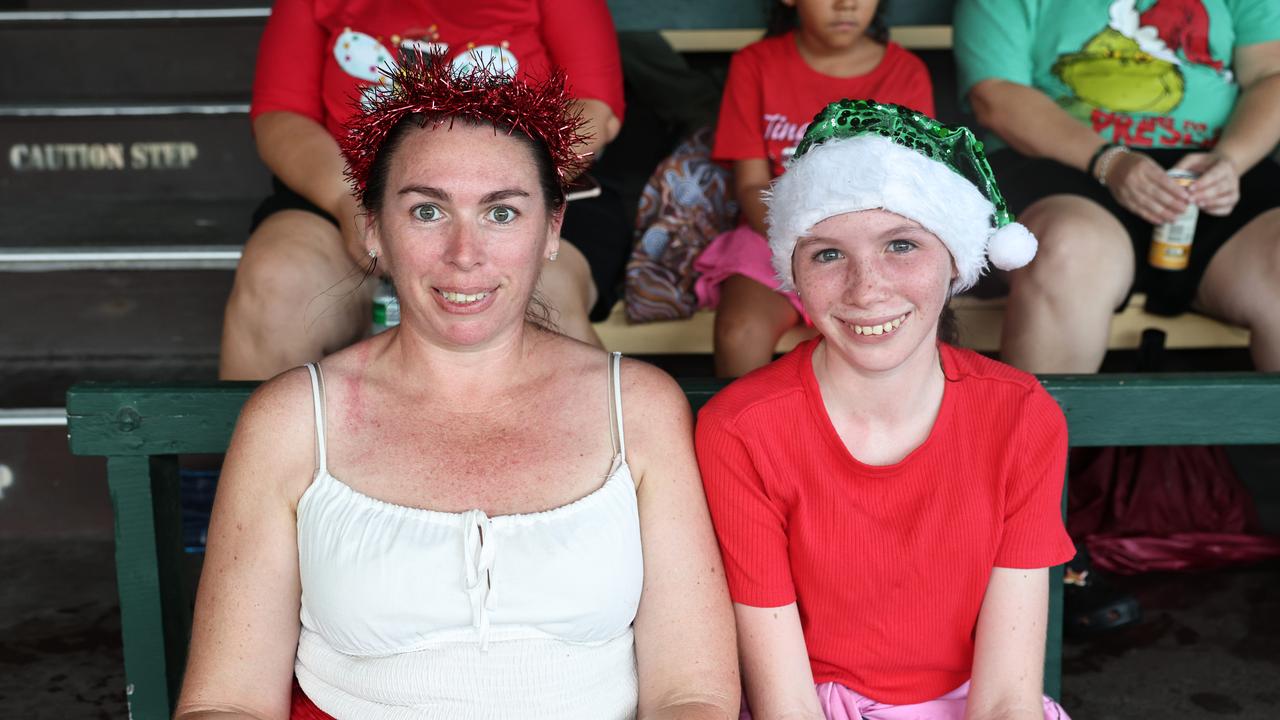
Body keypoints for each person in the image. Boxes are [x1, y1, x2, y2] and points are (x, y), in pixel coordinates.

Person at [175, 52, 738, 719]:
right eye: (426, 212)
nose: (465, 255)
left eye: (501, 214)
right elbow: (227, 702)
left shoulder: (638, 409)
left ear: (552, 230)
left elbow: (691, 694)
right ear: (373, 228)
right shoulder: (294, 420)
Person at [696, 100, 1074, 719]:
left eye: (901, 244)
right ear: (791, 272)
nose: (866, 288)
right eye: (826, 254)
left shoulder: (1020, 415)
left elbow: (1006, 696)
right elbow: (784, 704)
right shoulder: (743, 430)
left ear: (955, 259)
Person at [220, 0, 630, 380]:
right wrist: (351, 203)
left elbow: (594, 109)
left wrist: (509, 188)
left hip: (514, 197)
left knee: (545, 298)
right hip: (346, 192)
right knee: (276, 280)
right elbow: (281, 115)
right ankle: (257, 454)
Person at [954, 0, 1280, 373]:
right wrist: (1109, 161)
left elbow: (1272, 74)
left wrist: (1231, 160)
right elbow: (994, 94)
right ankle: (1044, 432)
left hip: (1214, 168)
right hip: (1060, 162)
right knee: (1068, 250)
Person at [693, 0, 935, 378]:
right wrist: (805, 243)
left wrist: (843, 247)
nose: (847, 4)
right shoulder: (757, 64)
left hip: (874, 240)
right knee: (739, 331)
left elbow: (910, 189)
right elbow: (753, 184)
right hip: (772, 235)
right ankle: (742, 436)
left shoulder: (905, 73)